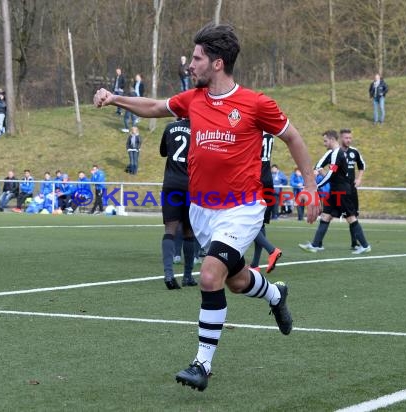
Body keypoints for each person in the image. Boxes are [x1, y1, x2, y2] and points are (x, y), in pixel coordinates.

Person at [94, 22, 320, 392]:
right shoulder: (192, 99)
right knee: (235, 280)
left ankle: (202, 364)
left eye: (197, 58)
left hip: (243, 208)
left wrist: (310, 186)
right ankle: (276, 295)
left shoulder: (255, 103)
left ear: (217, 63)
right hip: (202, 210)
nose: (191, 64)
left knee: (211, 276)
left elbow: (292, 137)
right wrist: (114, 98)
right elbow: (153, 106)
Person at [299, 130, 371, 255]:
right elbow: (321, 166)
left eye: (325, 141)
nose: (324, 143)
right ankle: (316, 245)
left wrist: (317, 185)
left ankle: (365, 245)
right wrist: (315, 173)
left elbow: (331, 174)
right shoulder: (333, 153)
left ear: (332, 140)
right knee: (326, 215)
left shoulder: (338, 154)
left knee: (351, 217)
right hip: (334, 190)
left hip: (343, 191)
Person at [159, 118, 197, 289]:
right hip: (191, 186)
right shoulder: (199, 130)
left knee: (170, 230)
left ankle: (168, 274)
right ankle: (188, 276)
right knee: (189, 231)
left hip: (170, 185)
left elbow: (163, 152)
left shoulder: (170, 127)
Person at [250, 132, 282, 273]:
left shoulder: (253, 130)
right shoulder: (269, 134)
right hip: (267, 178)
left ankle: (271, 250)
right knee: (260, 223)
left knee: (245, 221)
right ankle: (255, 265)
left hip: (255, 180)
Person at [340, 128, 366, 249]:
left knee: (353, 215)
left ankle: (354, 243)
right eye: (346, 138)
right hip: (339, 189)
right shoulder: (336, 152)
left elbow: (362, 166)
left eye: (350, 138)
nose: (349, 140)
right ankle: (317, 243)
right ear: (341, 138)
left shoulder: (354, 152)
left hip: (352, 189)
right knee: (327, 215)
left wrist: (359, 179)